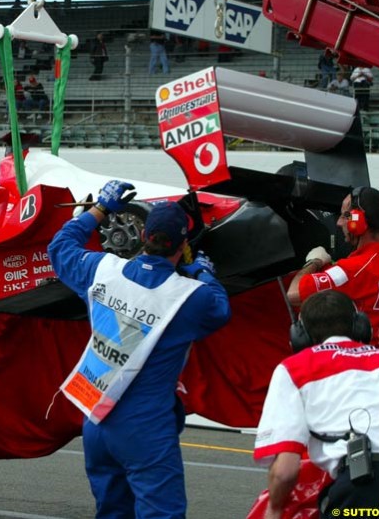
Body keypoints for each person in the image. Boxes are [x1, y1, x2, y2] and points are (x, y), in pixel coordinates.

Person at [48, 183, 231, 518]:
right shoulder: (191, 296)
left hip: (96, 420)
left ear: (143, 234)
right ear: (183, 246)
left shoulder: (103, 269)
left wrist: (99, 209)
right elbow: (220, 308)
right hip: (146, 427)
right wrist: (204, 271)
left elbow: (59, 248)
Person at [254, 290, 379, 519]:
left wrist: (274, 510)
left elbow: (285, 470)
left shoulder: (295, 369)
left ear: (300, 335)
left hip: (364, 489)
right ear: (360, 325)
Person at [287, 186, 379, 350]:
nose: (339, 222)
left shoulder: (351, 270)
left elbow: (294, 294)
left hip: (362, 368)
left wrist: (314, 262)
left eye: (345, 216)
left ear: (358, 221)